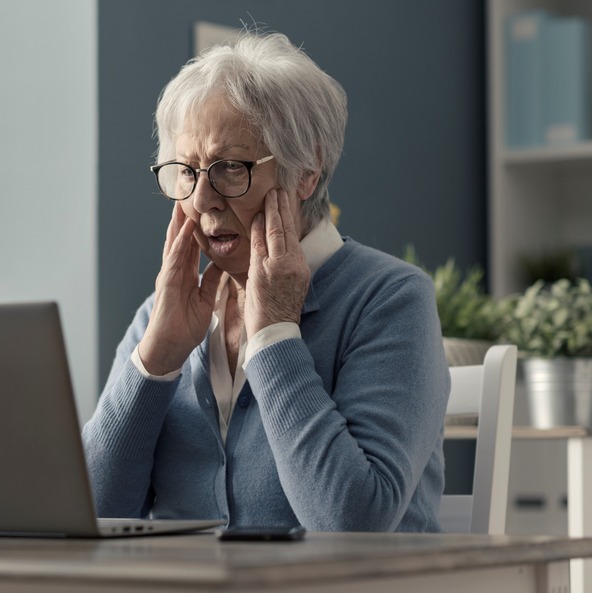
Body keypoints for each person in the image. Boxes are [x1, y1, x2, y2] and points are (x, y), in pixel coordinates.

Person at [82, 30, 450, 532]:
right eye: (186, 172)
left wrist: (275, 333)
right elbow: (88, 516)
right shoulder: (160, 315)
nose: (203, 199)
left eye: (229, 168)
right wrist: (154, 363)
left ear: (307, 170)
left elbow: (352, 524)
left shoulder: (390, 300)